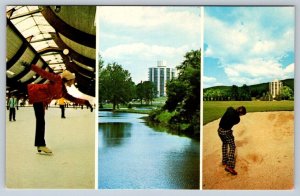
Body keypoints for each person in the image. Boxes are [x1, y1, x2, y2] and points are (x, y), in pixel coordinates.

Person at [24, 63, 93, 154]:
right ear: (68, 79)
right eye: (72, 81)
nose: (73, 83)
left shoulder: (62, 91)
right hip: (37, 93)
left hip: (41, 101)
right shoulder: (57, 79)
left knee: (41, 121)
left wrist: (85, 102)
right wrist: (31, 67)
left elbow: (72, 98)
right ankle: (40, 145)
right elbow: (44, 73)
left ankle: (40, 145)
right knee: (41, 122)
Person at [218, 106, 246, 175]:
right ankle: (229, 166)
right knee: (232, 147)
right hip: (227, 132)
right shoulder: (237, 119)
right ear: (241, 114)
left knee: (224, 143)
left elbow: (229, 109)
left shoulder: (230, 109)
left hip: (219, 130)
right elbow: (234, 118)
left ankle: (224, 160)